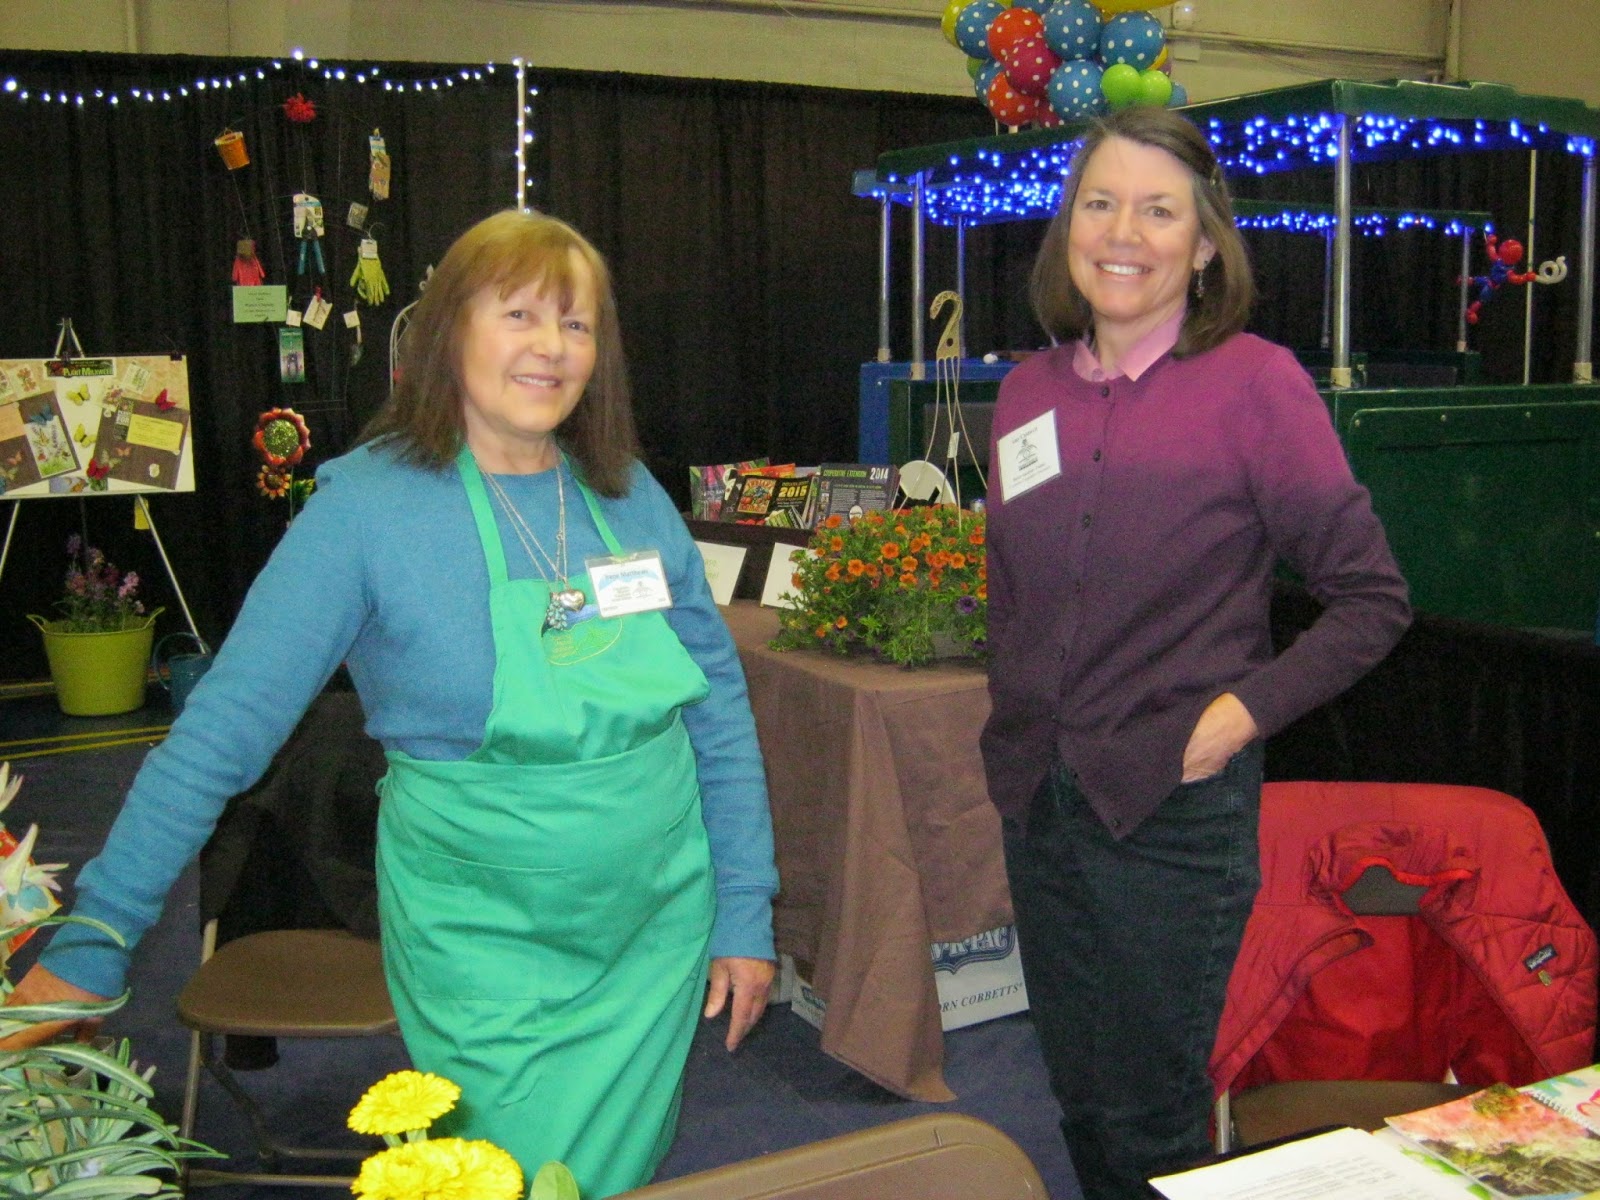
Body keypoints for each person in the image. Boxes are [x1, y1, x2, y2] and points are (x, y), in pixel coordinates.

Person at [4, 210, 780, 1199]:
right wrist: (99, 933)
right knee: (504, 1172)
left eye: (577, 323)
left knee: (616, 1172)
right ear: (449, 330)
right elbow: (221, 733)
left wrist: (743, 907)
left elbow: (716, 709)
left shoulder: (628, 498)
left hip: (653, 926)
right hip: (485, 940)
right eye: (520, 315)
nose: (552, 346)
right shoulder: (364, 511)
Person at [979, 106, 1411, 1200]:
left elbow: (1370, 601)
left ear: (1206, 244)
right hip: (1040, 800)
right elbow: (1012, 589)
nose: (1124, 233)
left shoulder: (1255, 384)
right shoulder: (1027, 393)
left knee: (1151, 1111)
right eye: (1100, 203)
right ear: (1068, 227)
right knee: (1077, 1090)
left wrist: (1235, 719)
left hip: (1171, 811)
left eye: (1159, 211)